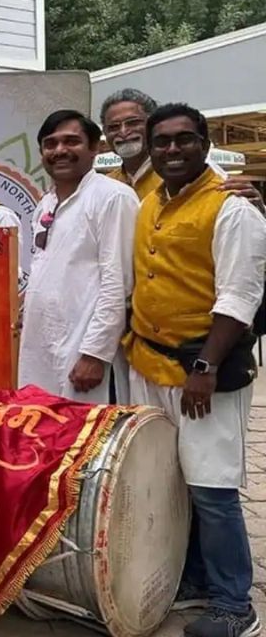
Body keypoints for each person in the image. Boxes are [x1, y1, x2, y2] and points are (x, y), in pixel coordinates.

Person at [122, 103, 266, 637]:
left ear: (204, 143)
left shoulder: (233, 207)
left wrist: (205, 366)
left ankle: (236, 606)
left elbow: (239, 295)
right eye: (162, 142)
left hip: (204, 373)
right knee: (173, 482)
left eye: (184, 140)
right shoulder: (151, 203)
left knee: (213, 486)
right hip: (151, 365)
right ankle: (196, 581)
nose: (172, 150)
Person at [19, 110, 138, 405]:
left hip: (84, 354)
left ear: (94, 148)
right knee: (43, 434)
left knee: (88, 442)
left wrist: (95, 354)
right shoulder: (46, 203)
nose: (59, 150)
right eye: (51, 143)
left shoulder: (113, 197)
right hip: (41, 348)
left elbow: (118, 283)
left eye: (71, 141)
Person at [100, 88, 261, 209]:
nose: (123, 132)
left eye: (133, 123)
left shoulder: (191, 172)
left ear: (153, 126)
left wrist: (256, 208)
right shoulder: (107, 183)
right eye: (113, 127)